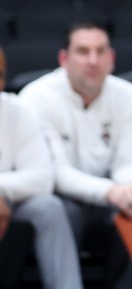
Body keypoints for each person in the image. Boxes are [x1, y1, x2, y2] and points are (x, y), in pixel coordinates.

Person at [19, 22, 132, 289]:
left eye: (101, 51)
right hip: (62, 198)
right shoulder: (36, 98)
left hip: (109, 199)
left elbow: (127, 163)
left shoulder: (128, 96)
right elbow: (56, 175)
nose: (93, 60)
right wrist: (113, 191)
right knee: (58, 211)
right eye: (83, 51)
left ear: (111, 58)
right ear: (64, 59)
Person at [0, 45, 83, 289]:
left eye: (0, 75)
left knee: (49, 207)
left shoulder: (17, 109)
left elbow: (41, 178)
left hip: (10, 202)